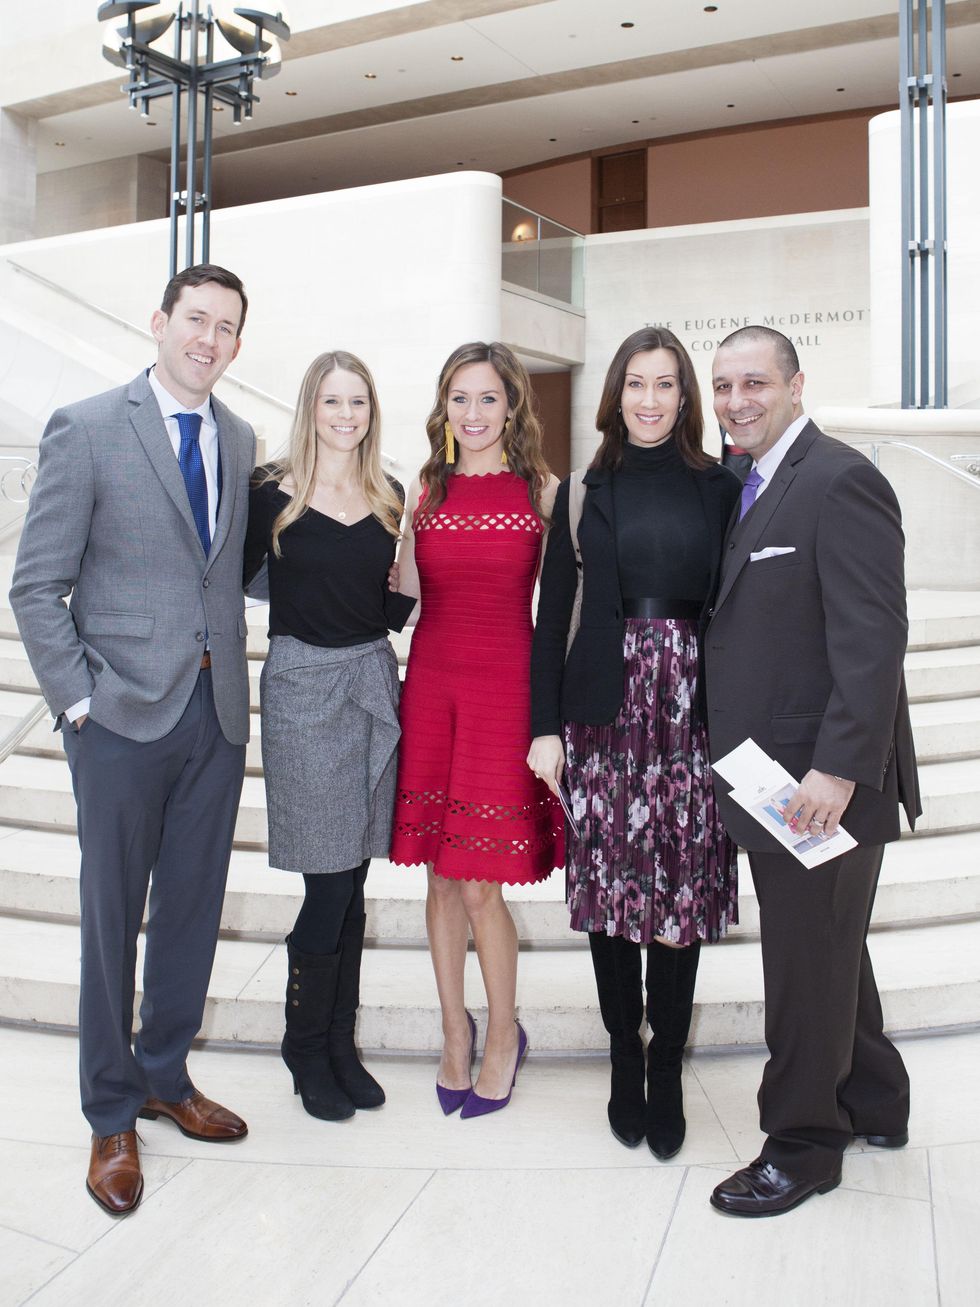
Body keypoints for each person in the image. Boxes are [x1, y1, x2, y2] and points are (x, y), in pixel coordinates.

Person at [10, 264, 256, 1215]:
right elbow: (36, 585)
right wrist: (79, 705)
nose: (208, 338)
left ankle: (164, 1073)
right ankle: (110, 1111)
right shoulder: (87, 426)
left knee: (192, 908)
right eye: (195, 319)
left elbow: (222, 573)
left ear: (238, 343)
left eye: (226, 327)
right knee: (114, 919)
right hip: (119, 719)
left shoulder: (236, 437)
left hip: (215, 715)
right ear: (159, 323)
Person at [704, 325, 920, 1217]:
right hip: (770, 774)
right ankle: (876, 1097)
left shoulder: (839, 479)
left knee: (802, 963)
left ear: (797, 384)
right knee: (828, 949)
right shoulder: (744, 485)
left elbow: (874, 640)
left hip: (817, 786)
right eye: (722, 385)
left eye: (755, 382)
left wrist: (836, 773)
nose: (736, 400)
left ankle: (802, 1144)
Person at [528, 326, 741, 1159]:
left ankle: (666, 1068)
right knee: (613, 894)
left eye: (665, 384)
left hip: (692, 712)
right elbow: (552, 617)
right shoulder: (583, 490)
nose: (649, 399)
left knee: (681, 896)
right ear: (615, 395)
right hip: (603, 711)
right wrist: (544, 726)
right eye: (635, 384)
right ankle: (625, 1052)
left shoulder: (720, 488)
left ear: (685, 397)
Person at [389, 341, 563, 1117]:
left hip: (506, 689)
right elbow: (404, 590)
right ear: (443, 406)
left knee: (481, 879)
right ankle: (453, 1032)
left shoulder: (544, 491)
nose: (473, 412)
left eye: (488, 397)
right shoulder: (426, 487)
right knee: (439, 872)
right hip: (431, 683)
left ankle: (502, 1035)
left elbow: (565, 607)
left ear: (513, 405)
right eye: (460, 397)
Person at [244, 351, 415, 1122]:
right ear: (310, 406)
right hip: (301, 689)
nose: (346, 415)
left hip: (372, 682)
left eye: (359, 402)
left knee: (356, 884)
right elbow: (236, 581)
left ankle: (339, 1045)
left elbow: (387, 611)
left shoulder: (389, 494)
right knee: (327, 881)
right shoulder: (269, 492)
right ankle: (305, 1045)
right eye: (332, 401)